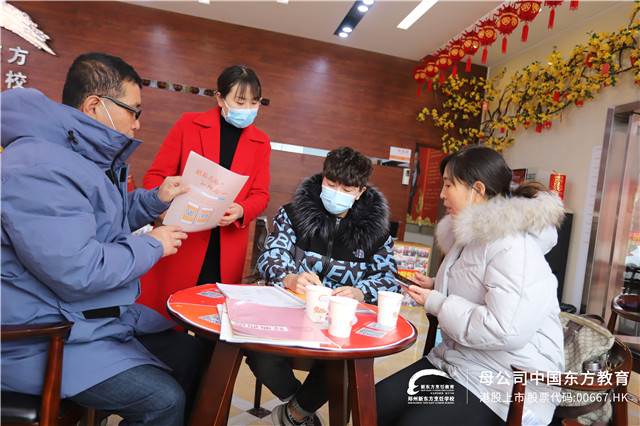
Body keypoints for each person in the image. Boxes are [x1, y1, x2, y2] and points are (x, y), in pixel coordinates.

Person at [1, 52, 206, 425]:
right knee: (163, 400)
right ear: (95, 106)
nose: (138, 123)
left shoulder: (76, 157)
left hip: (86, 319)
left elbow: (104, 219)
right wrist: (154, 244)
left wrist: (156, 199)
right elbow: (78, 269)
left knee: (194, 355)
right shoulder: (39, 168)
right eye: (134, 111)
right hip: (44, 335)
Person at [375, 146, 566, 425]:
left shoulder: (514, 246)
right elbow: (475, 289)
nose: (442, 194)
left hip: (506, 381)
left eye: (448, 185)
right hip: (459, 362)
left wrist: (437, 302)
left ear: (477, 189)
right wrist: (435, 286)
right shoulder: (470, 236)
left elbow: (505, 330)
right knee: (376, 402)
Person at [246, 146, 400, 426]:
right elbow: (270, 257)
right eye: (331, 184)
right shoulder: (293, 214)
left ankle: (293, 415)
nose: (336, 193)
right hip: (291, 313)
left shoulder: (376, 231)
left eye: (347, 189)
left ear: (360, 192)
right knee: (258, 354)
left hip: (342, 322)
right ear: (321, 179)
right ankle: (300, 410)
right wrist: (289, 277)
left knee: (346, 360)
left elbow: (389, 279)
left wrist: (360, 292)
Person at [138, 65, 271, 317]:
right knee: (168, 314)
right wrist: (164, 209)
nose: (247, 109)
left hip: (226, 245)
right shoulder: (188, 124)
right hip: (183, 237)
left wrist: (241, 210)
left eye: (254, 102)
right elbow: (155, 176)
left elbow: (261, 194)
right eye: (240, 101)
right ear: (220, 98)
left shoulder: (261, 142)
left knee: (212, 318)